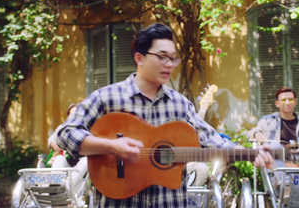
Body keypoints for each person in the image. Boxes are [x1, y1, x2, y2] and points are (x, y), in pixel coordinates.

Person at [55, 22, 273, 207]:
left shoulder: (180, 104)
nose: (169, 64)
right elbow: (65, 133)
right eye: (162, 57)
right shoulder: (107, 98)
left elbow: (211, 139)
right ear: (139, 58)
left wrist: (245, 152)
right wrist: (111, 147)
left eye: (173, 58)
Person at [47, 103, 88, 197]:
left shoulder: (86, 128)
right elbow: (50, 140)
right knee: (59, 159)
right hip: (66, 159)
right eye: (71, 114)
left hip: (80, 161)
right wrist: (54, 145)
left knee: (87, 161)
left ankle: (66, 187)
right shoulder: (62, 128)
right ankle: (55, 187)